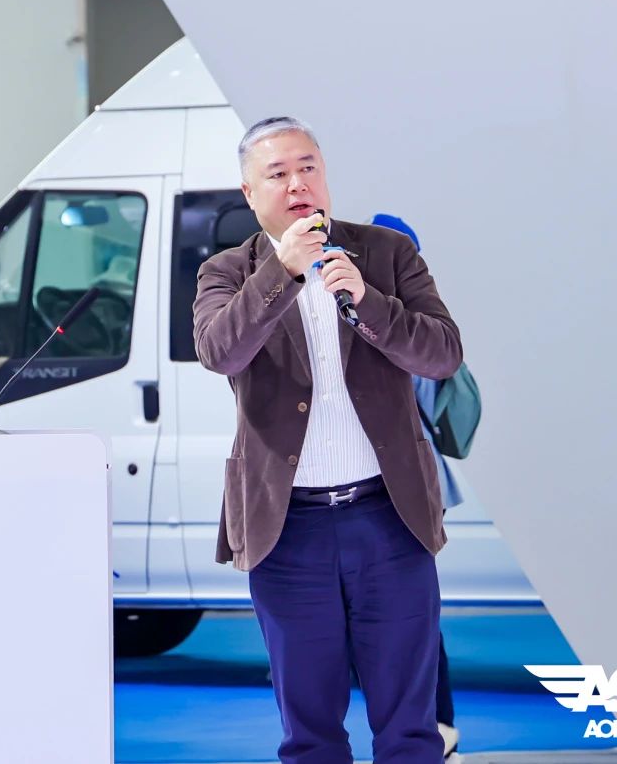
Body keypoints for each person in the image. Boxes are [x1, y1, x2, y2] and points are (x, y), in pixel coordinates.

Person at [193, 117, 462, 764]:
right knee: (310, 730)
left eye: (308, 167)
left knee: (410, 727)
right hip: (288, 530)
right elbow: (219, 351)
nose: (297, 184)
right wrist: (281, 274)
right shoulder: (227, 272)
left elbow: (443, 353)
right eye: (278, 174)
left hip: (388, 518)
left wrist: (368, 300)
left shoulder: (386, 254)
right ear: (250, 193)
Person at [371, 212, 464, 760]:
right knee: (407, 611)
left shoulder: (399, 321)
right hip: (401, 483)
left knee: (409, 614)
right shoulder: (410, 316)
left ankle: (434, 724)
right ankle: (434, 725)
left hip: (405, 483)